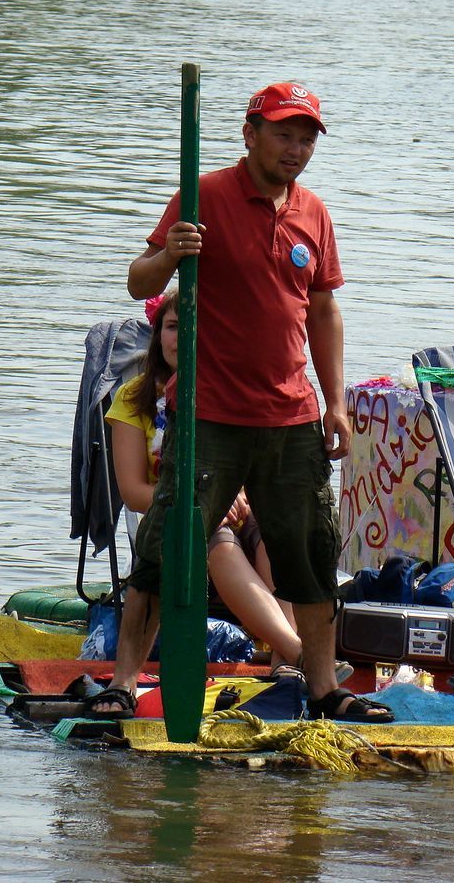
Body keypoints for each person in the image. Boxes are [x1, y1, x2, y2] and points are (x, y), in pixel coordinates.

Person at [121, 81, 392, 723]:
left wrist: (336, 403)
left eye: (306, 138)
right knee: (164, 553)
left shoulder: (314, 212)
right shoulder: (204, 195)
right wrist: (172, 256)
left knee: (313, 558)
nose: (295, 149)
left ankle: (324, 689)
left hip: (293, 416)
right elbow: (138, 281)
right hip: (209, 414)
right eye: (283, 135)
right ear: (250, 134)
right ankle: (123, 681)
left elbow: (323, 310)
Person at [86, 292, 341, 717]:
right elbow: (132, 490)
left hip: (241, 510)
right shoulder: (133, 398)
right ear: (158, 335)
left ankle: (284, 663)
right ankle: (299, 652)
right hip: (178, 513)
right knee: (217, 541)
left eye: (195, 330)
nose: (182, 339)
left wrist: (238, 492)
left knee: (274, 538)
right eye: (172, 327)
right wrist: (206, 503)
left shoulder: (229, 395)